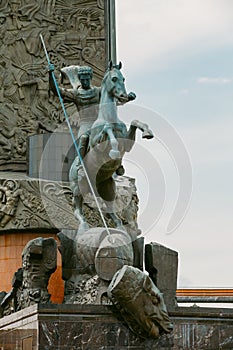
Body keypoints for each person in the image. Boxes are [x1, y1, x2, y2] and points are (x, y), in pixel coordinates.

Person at [48, 64, 136, 164]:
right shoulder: (76, 94)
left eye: (87, 79)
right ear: (79, 79)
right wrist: (50, 75)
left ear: (90, 78)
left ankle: (118, 163)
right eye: (83, 80)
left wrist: (127, 97)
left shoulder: (98, 91)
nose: (85, 82)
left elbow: (112, 100)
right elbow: (57, 91)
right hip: (86, 125)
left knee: (116, 133)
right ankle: (80, 165)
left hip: (99, 122)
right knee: (84, 138)